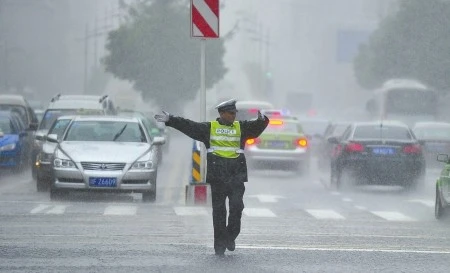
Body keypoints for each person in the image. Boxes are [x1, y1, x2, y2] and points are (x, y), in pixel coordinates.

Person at [155, 99, 269, 256]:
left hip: (236, 176)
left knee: (237, 208)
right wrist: (171, 120)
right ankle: (219, 245)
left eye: (235, 113)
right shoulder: (210, 128)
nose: (233, 116)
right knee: (219, 212)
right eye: (230, 113)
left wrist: (262, 120)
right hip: (218, 177)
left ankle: (230, 236)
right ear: (221, 114)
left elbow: (256, 128)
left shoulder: (241, 127)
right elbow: (190, 126)